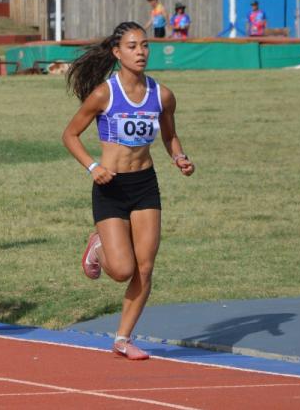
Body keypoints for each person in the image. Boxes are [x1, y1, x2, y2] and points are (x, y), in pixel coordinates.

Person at [61, 21, 195, 360]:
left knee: (145, 267)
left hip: (145, 185)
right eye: (133, 46)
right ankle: (98, 246)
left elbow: (169, 135)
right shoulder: (105, 93)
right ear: (117, 53)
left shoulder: (162, 95)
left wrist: (178, 156)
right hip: (110, 186)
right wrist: (94, 167)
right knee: (122, 270)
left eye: (145, 46)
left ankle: (123, 338)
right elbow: (70, 135)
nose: (141, 52)